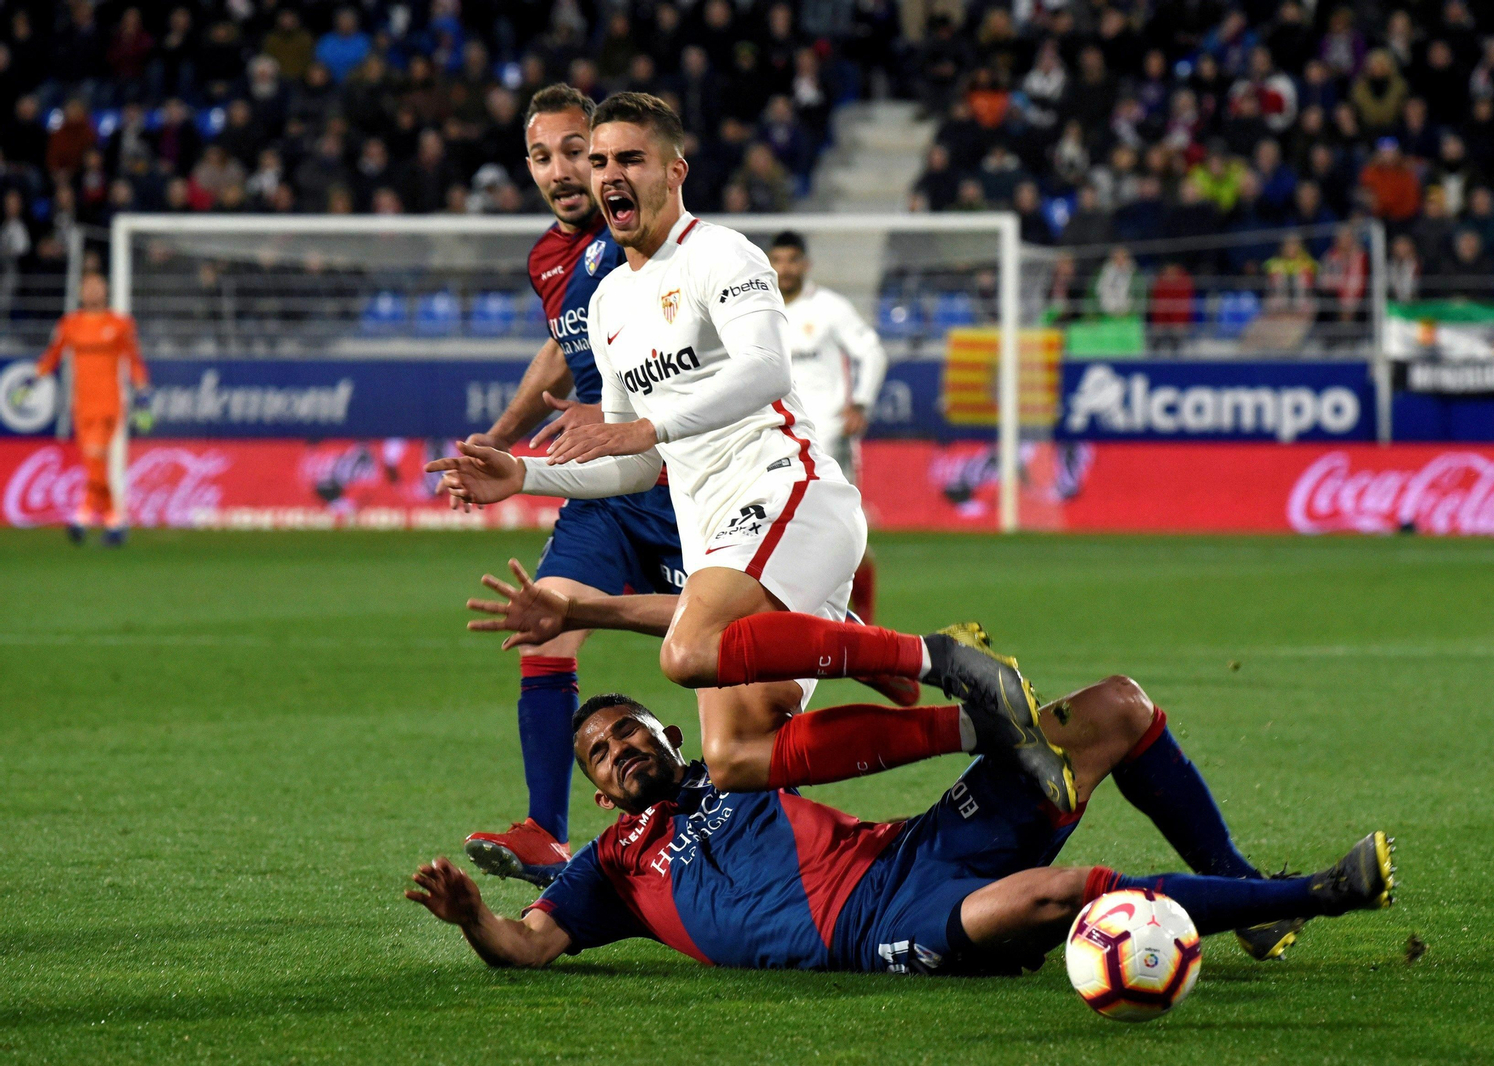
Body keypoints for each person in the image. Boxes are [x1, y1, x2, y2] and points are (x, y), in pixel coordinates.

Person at [426, 92, 1075, 816]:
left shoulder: (720, 252)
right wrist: (524, 474)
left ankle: (941, 659)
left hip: (785, 488)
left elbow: (767, 369)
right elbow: (633, 467)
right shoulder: (608, 302)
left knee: (685, 651)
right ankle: (985, 727)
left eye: (629, 159)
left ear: (675, 171)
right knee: (736, 757)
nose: (609, 174)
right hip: (715, 531)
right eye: (600, 159)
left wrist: (648, 427)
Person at [407, 681, 1397, 972]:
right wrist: (467, 919)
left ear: (668, 732)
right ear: (597, 789)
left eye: (629, 732)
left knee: (1112, 708)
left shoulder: (737, 756)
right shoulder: (610, 865)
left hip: (919, 845)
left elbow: (820, 717)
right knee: (1059, 893)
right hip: (877, 923)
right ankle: (1316, 892)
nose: (618, 751)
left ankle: (1241, 888)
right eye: (597, 754)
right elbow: (526, 945)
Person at [446, 84, 684, 887]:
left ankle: (880, 655)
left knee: (726, 649)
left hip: (679, 476)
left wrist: (631, 405)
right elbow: (562, 348)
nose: (562, 170)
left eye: (576, 151)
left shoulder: (642, 238)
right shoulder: (552, 257)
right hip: (601, 484)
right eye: (542, 156)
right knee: (546, 625)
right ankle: (547, 833)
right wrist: (499, 440)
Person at [767, 230, 888, 623]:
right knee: (782, 527)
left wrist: (862, 402)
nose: (784, 268)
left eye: (791, 260)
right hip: (776, 438)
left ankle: (863, 618)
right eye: (778, 260)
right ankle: (799, 614)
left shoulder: (830, 308)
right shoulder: (761, 309)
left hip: (827, 437)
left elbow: (872, 352)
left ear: (805, 264)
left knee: (844, 526)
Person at [33, 272, 149, 546]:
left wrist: (143, 393)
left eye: (98, 286)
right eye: (88, 287)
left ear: (106, 290)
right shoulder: (70, 324)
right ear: (80, 292)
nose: (93, 291)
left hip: (109, 403)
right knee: (94, 463)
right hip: (81, 404)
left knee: (96, 455)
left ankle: (82, 516)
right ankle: (114, 523)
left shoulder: (119, 324)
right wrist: (31, 381)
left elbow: (134, 361)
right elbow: (52, 356)